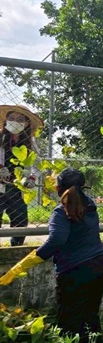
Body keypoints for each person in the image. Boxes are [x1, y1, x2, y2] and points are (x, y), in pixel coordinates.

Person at [0, 168, 103, 343]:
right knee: (90, 313)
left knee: (69, 320)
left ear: (59, 189)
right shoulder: (90, 205)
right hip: (101, 265)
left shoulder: (61, 212)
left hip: (76, 271)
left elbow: (56, 241)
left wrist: (21, 266)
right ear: (83, 187)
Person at [0, 105, 43, 246]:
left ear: (26, 123)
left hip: (16, 187)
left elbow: (37, 163)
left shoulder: (29, 142)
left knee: (20, 221)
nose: (15, 122)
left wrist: (31, 178)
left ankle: (15, 247)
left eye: (20, 119)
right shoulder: (0, 137)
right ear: (6, 120)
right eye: (12, 118)